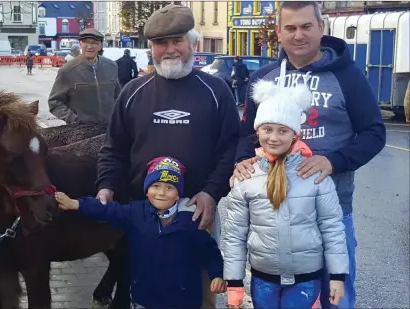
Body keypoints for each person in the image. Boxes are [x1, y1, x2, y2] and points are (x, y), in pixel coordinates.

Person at [231, 2, 386, 308]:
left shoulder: (347, 77)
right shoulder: (263, 79)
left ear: (321, 28)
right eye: (289, 28)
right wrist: (241, 161)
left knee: (335, 298)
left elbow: (374, 133)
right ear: (278, 32)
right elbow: (246, 134)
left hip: (332, 213)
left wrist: (333, 161)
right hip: (272, 216)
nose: (298, 35)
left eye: (306, 26)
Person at [95, 4, 240, 309]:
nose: (170, 49)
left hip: (196, 210)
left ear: (193, 43)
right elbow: (114, 148)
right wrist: (106, 185)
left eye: (178, 41)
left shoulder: (217, 91)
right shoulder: (133, 91)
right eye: (161, 43)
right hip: (144, 213)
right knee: (147, 290)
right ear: (151, 48)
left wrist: (211, 193)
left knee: (200, 294)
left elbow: (230, 150)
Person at [224, 66, 348, 309]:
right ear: (257, 130)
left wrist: (337, 276)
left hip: (306, 280)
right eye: (267, 129)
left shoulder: (314, 175)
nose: (274, 137)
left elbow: (332, 227)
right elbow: (234, 235)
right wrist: (234, 282)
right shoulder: (246, 175)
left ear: (295, 134)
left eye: (282, 130)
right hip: (263, 279)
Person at [55, 156, 226, 309]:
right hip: (145, 298)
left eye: (169, 188)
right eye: (156, 186)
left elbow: (209, 251)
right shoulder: (136, 213)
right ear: (146, 190)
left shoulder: (191, 220)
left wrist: (217, 275)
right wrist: (75, 204)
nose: (161, 193)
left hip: (183, 300)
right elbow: (108, 210)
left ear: (178, 194)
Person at [48, 28, 121, 124]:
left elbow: (118, 96)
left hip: (108, 129)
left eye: (94, 43)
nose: (90, 46)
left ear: (100, 46)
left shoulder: (111, 66)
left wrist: (114, 116)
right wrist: (75, 120)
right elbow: (54, 102)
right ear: (80, 44)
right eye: (86, 42)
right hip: (80, 131)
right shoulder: (67, 71)